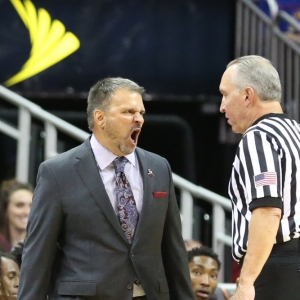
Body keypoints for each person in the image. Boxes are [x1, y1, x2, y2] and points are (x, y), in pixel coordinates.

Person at [18, 77, 194, 300]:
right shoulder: (57, 173)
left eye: (141, 112)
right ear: (100, 118)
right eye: (129, 112)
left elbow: (174, 250)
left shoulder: (159, 167)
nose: (139, 119)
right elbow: (38, 255)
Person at [219, 55, 300, 300]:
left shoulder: (259, 137)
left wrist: (246, 282)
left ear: (247, 95)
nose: (222, 106)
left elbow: (268, 210)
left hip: (278, 266)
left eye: (225, 94)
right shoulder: (296, 133)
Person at [0, 180, 33, 251]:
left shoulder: (42, 246)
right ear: (5, 210)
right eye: (19, 205)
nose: (27, 212)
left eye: (31, 206)